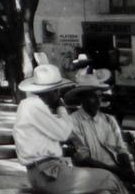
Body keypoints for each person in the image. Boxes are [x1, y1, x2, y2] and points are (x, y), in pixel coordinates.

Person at [12, 63, 129, 194]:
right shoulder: (32, 106)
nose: (59, 95)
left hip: (50, 172)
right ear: (52, 91)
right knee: (109, 179)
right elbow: (64, 133)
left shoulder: (36, 107)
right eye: (57, 91)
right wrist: (61, 107)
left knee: (105, 189)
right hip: (47, 174)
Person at [66, 73, 135, 194]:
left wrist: (128, 170)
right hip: (94, 176)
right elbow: (83, 159)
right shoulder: (73, 121)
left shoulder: (108, 119)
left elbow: (121, 149)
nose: (97, 101)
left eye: (99, 96)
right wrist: (117, 172)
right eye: (93, 97)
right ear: (82, 98)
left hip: (119, 172)